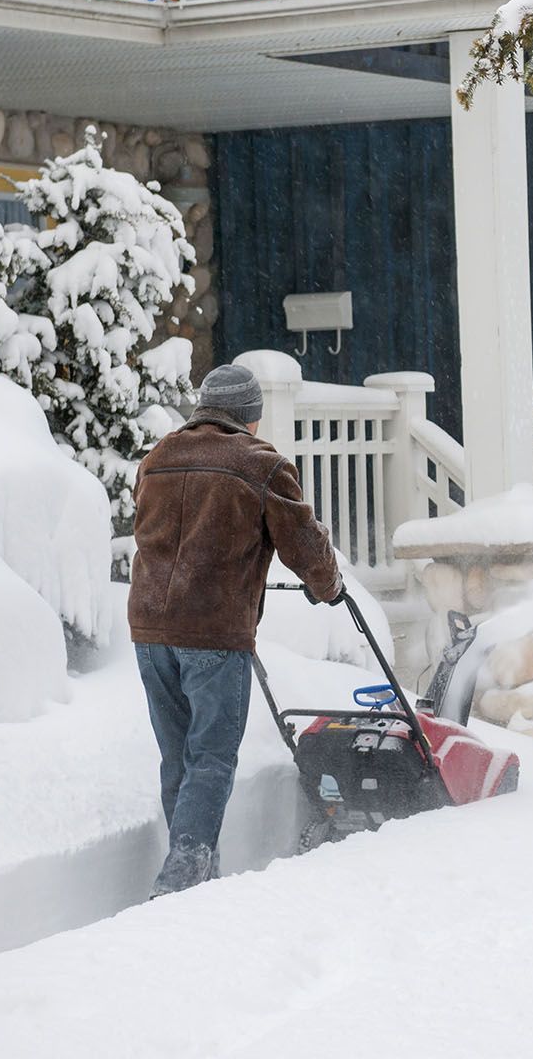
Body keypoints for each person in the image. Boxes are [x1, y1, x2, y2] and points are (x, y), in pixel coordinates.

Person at [128, 363, 344, 897]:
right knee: (212, 758)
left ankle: (198, 875)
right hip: (212, 632)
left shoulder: (158, 459)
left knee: (179, 757)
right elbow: (304, 543)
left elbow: (148, 531)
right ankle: (180, 880)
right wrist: (329, 585)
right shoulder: (261, 464)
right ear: (250, 417)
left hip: (150, 630)